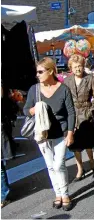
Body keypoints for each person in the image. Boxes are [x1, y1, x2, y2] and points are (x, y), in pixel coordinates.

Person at [23, 57, 76, 211]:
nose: (37, 75)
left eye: (40, 71)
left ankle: (65, 194)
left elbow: (71, 113)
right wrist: (36, 109)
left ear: (51, 71)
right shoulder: (34, 89)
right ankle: (58, 194)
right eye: (37, 72)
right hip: (42, 134)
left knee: (59, 164)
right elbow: (26, 110)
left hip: (60, 132)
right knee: (50, 166)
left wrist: (70, 133)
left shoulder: (63, 89)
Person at [64, 54, 94, 181]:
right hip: (72, 114)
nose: (78, 69)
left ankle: (92, 163)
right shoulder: (67, 81)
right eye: (75, 67)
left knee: (88, 143)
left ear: (83, 66)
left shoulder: (90, 78)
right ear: (71, 68)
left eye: (79, 66)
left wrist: (90, 111)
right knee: (75, 145)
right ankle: (80, 168)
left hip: (86, 114)